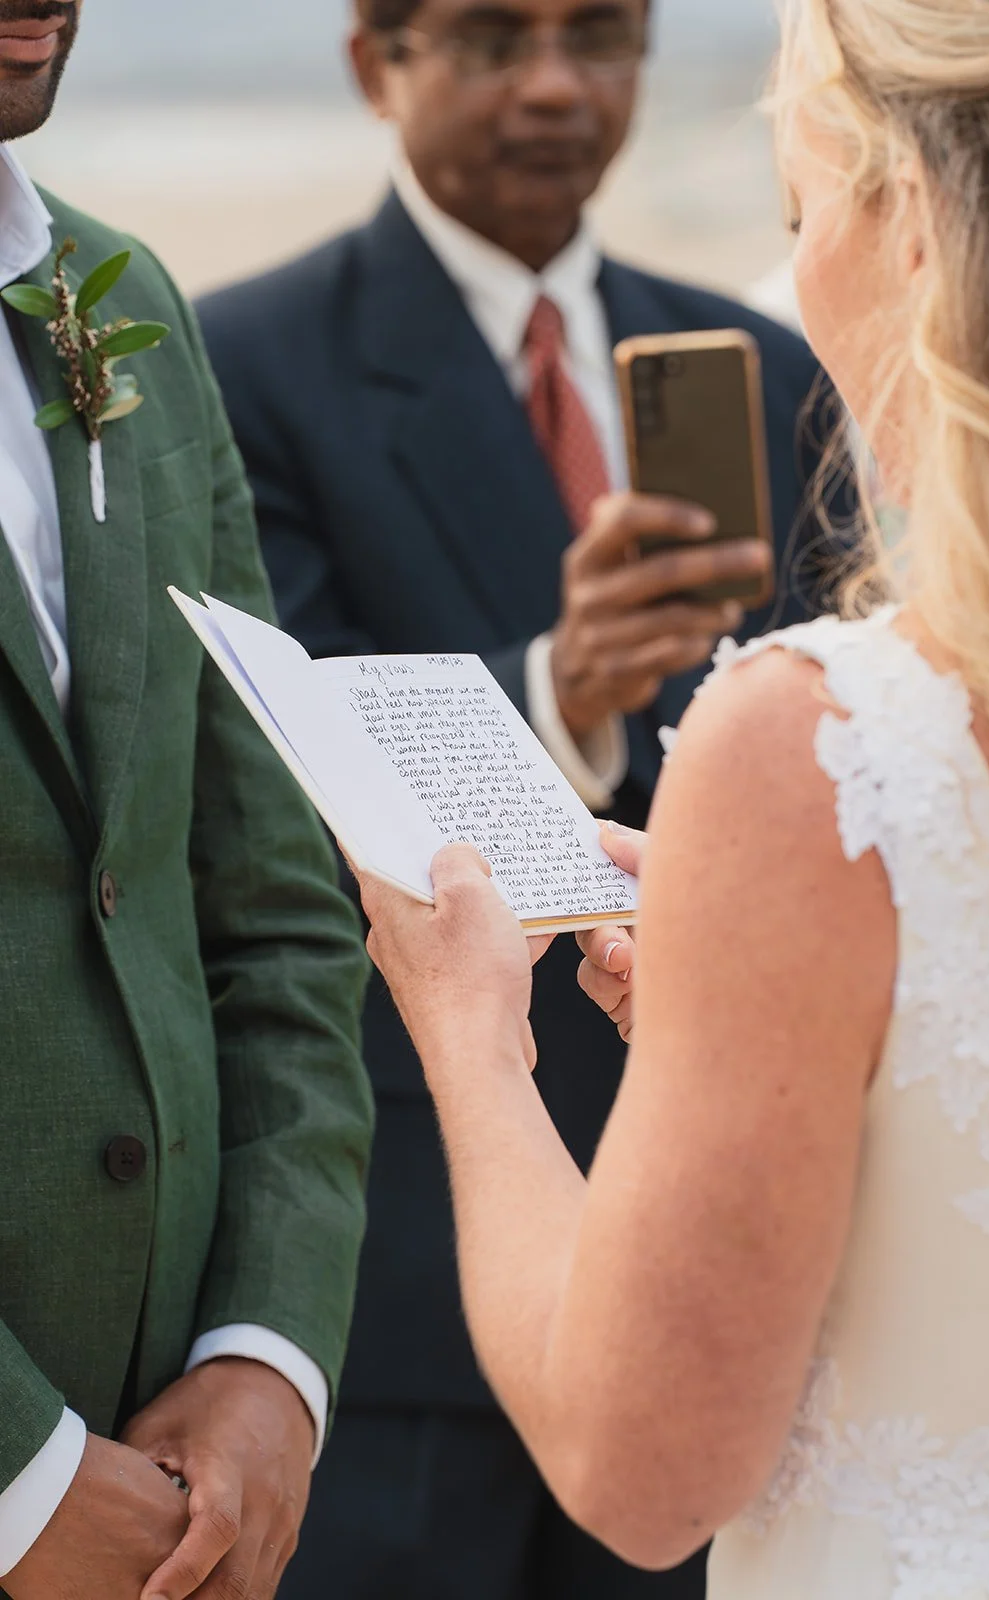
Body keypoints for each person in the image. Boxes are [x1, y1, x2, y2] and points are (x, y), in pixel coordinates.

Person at [351, 0, 989, 1594]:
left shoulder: (818, 736)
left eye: (801, 216)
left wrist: (470, 1033)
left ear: (905, 233)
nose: (792, 280)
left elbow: (642, 1471)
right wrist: (761, 986)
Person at [200, 3, 845, 1596]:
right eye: (494, 35)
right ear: (376, 64)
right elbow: (264, 795)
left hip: (712, 1235)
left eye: (601, 34)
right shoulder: (245, 359)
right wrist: (560, 687)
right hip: (404, 1264)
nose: (555, 83)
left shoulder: (764, 363)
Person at [0, 4, 374, 1600]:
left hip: (182, 1512)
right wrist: (17, 1473)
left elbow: (270, 894)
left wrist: (264, 1358)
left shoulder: (116, 297)